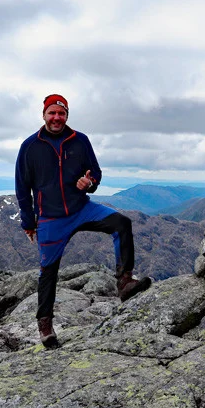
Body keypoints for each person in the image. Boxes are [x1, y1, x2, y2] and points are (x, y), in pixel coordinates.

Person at [15, 93, 151, 348]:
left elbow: (95, 173)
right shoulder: (30, 147)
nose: (57, 117)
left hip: (82, 208)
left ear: (67, 115)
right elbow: (22, 188)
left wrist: (90, 183)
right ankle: (45, 325)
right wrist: (28, 222)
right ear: (43, 115)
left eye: (61, 113)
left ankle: (125, 282)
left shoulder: (80, 140)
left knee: (122, 223)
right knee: (48, 272)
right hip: (51, 218)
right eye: (52, 113)